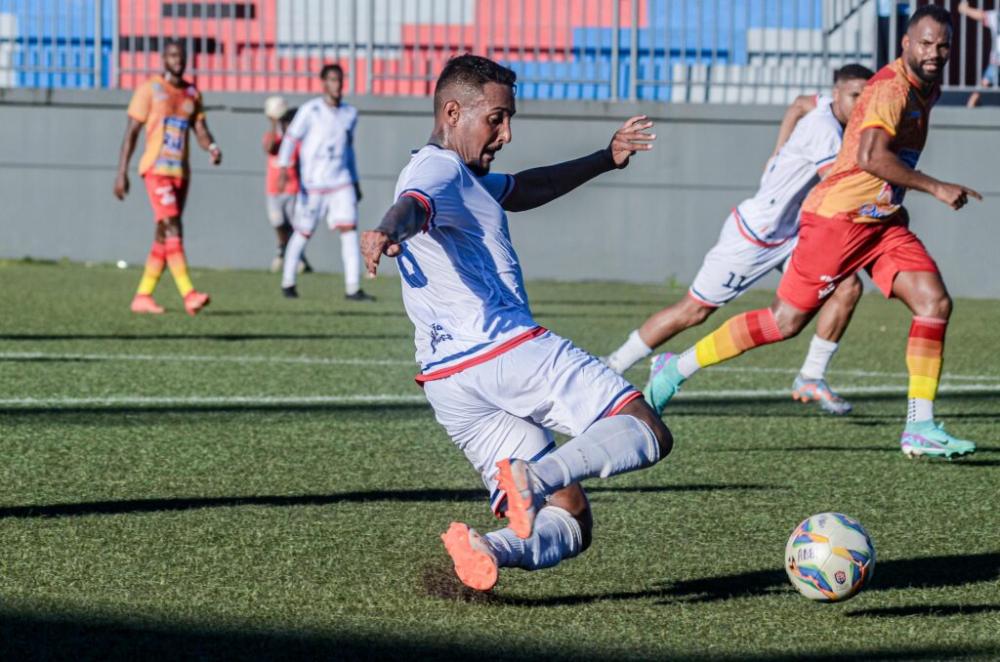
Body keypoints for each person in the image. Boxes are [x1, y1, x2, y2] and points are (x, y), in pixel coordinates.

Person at [360, 55, 671, 592]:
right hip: (501, 349)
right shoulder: (438, 168)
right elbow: (412, 204)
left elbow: (524, 189)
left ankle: (489, 548)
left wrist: (605, 157)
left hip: (449, 383)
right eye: (496, 119)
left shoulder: (467, 179)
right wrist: (388, 229)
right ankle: (532, 478)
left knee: (571, 515)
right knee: (647, 429)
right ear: (453, 112)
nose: (506, 133)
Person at [644, 6, 982, 460]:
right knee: (783, 323)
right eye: (925, 43)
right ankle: (675, 368)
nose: (934, 53)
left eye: (943, 45)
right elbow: (870, 155)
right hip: (838, 221)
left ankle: (919, 426)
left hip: (880, 223)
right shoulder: (891, 88)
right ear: (905, 43)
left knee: (933, 302)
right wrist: (936, 187)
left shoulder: (929, 86)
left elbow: (814, 109)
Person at [604, 64, 874, 415]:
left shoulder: (825, 107)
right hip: (754, 236)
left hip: (792, 235)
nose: (861, 104)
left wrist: (776, 153)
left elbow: (797, 103)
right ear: (837, 94)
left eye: (866, 97)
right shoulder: (826, 131)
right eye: (855, 96)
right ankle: (612, 366)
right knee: (694, 311)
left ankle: (811, 374)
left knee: (847, 286)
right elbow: (840, 189)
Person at [113, 38, 220, 316]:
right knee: (173, 227)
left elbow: (201, 129)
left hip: (180, 173)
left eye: (181, 56)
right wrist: (121, 172)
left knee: (163, 236)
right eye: (172, 56)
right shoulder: (150, 90)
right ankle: (189, 294)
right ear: (164, 59)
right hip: (156, 170)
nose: (177, 61)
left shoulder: (192, 94)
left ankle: (143, 296)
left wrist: (212, 147)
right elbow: (131, 133)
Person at [277, 64, 373, 301]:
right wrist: (283, 167)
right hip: (313, 185)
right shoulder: (310, 111)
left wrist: (356, 180)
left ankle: (353, 288)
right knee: (303, 232)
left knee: (349, 231)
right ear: (323, 83)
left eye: (339, 80)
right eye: (332, 79)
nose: (337, 85)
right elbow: (290, 139)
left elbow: (349, 150)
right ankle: (288, 282)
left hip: (341, 183)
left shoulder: (350, 113)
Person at [263, 106, 311, 273]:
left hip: (293, 188)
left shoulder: (297, 141)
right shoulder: (273, 137)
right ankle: (283, 250)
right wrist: (274, 124)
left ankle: (297, 257)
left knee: (295, 225)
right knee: (278, 222)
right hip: (273, 188)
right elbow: (269, 148)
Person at [957, 1, 999, 107]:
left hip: (997, 60)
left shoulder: (996, 16)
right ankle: (972, 103)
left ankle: (971, 103)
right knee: (985, 81)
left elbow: (982, 15)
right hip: (997, 61)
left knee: (984, 82)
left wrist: (964, 9)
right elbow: (982, 15)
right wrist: (965, 9)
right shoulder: (996, 17)